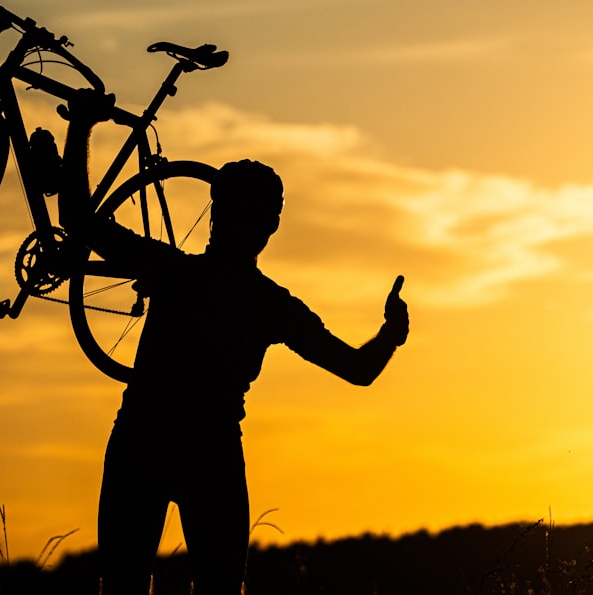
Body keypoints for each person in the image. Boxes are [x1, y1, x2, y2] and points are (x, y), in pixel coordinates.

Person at [83, 159, 409, 595]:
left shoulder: (172, 271)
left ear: (216, 213)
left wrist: (82, 125)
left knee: (124, 586)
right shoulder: (269, 304)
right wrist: (390, 335)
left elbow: (79, 221)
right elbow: (358, 370)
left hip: (144, 441)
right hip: (209, 453)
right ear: (270, 226)